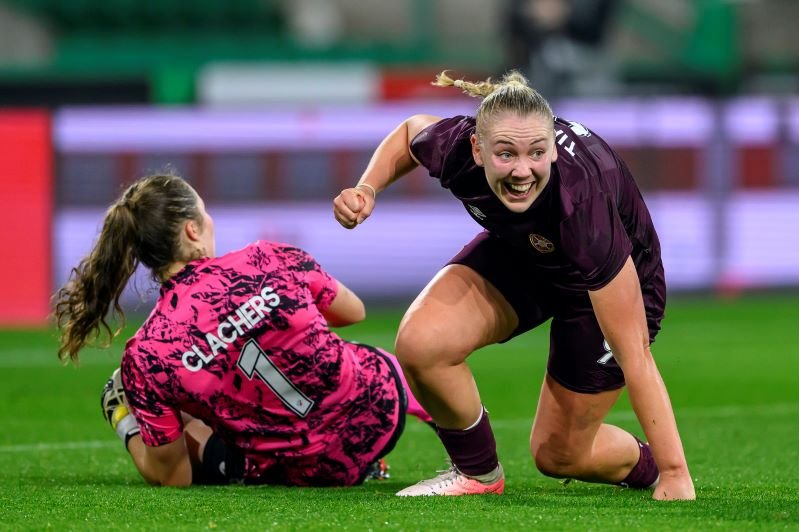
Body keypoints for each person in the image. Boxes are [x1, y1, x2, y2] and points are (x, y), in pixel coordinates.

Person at [332, 70, 696, 500]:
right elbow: (411, 131)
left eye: (536, 153)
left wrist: (675, 474)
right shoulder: (456, 148)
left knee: (559, 455)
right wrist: (367, 187)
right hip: (526, 252)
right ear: (477, 149)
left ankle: (650, 465)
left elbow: (634, 356)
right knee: (422, 343)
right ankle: (477, 474)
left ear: (552, 151)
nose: (523, 171)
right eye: (506, 155)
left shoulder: (580, 204)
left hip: (609, 280)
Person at [53, 172, 431, 487]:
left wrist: (123, 419)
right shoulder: (266, 257)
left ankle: (337, 459)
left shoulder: (147, 353)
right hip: (380, 409)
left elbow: (174, 476)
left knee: (188, 408)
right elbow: (353, 311)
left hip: (305, 472)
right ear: (192, 230)